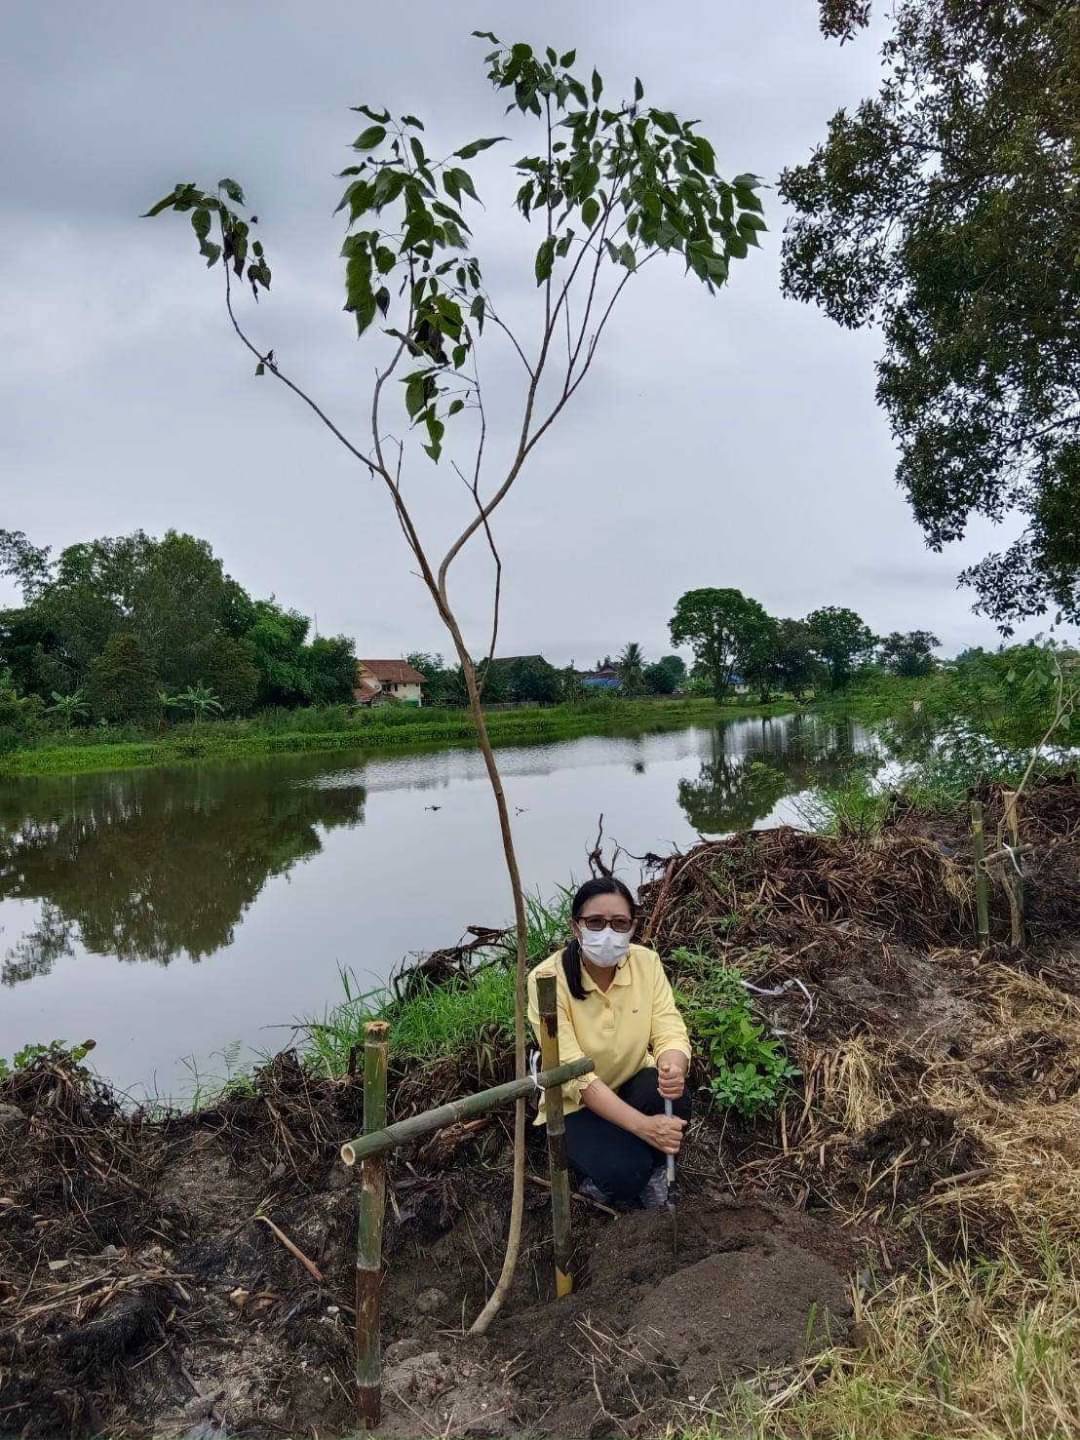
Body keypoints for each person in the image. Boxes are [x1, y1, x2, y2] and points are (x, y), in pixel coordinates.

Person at [526, 876, 691, 1208]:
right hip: (576, 1104)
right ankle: (611, 1175)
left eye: (619, 923)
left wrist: (673, 1063)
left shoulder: (646, 963)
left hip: (630, 1081)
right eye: (595, 922)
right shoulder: (547, 980)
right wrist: (645, 1128)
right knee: (626, 1172)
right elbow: (576, 1074)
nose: (607, 933)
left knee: (675, 1097)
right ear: (576, 927)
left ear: (632, 927)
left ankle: (653, 1168)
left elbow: (668, 1026)